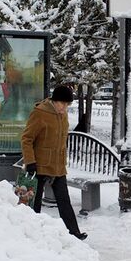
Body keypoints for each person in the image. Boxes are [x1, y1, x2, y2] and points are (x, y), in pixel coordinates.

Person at [21, 85, 87, 240]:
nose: (64, 108)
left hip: (58, 166)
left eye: (67, 105)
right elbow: (27, 139)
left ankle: (74, 232)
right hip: (39, 165)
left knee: (64, 201)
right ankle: (31, 233)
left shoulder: (62, 115)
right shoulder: (40, 113)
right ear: (54, 101)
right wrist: (30, 161)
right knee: (34, 203)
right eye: (62, 104)